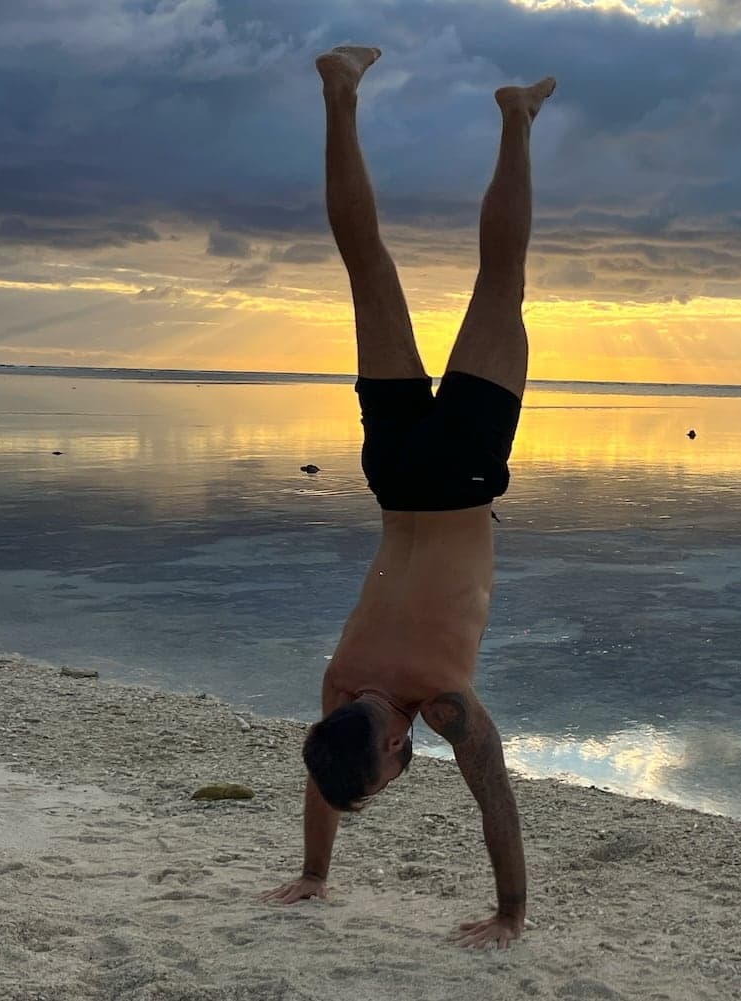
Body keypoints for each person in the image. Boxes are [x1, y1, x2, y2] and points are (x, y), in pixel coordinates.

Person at [258, 45, 555, 950]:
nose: (395, 776)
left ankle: (515, 115)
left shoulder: (443, 703)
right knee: (367, 266)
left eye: (388, 778)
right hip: (392, 476)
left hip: (463, 476)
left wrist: (509, 913)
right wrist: (313, 870)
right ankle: (340, 90)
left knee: (502, 281)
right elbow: (325, 770)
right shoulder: (338, 683)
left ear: (393, 749)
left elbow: (493, 796)